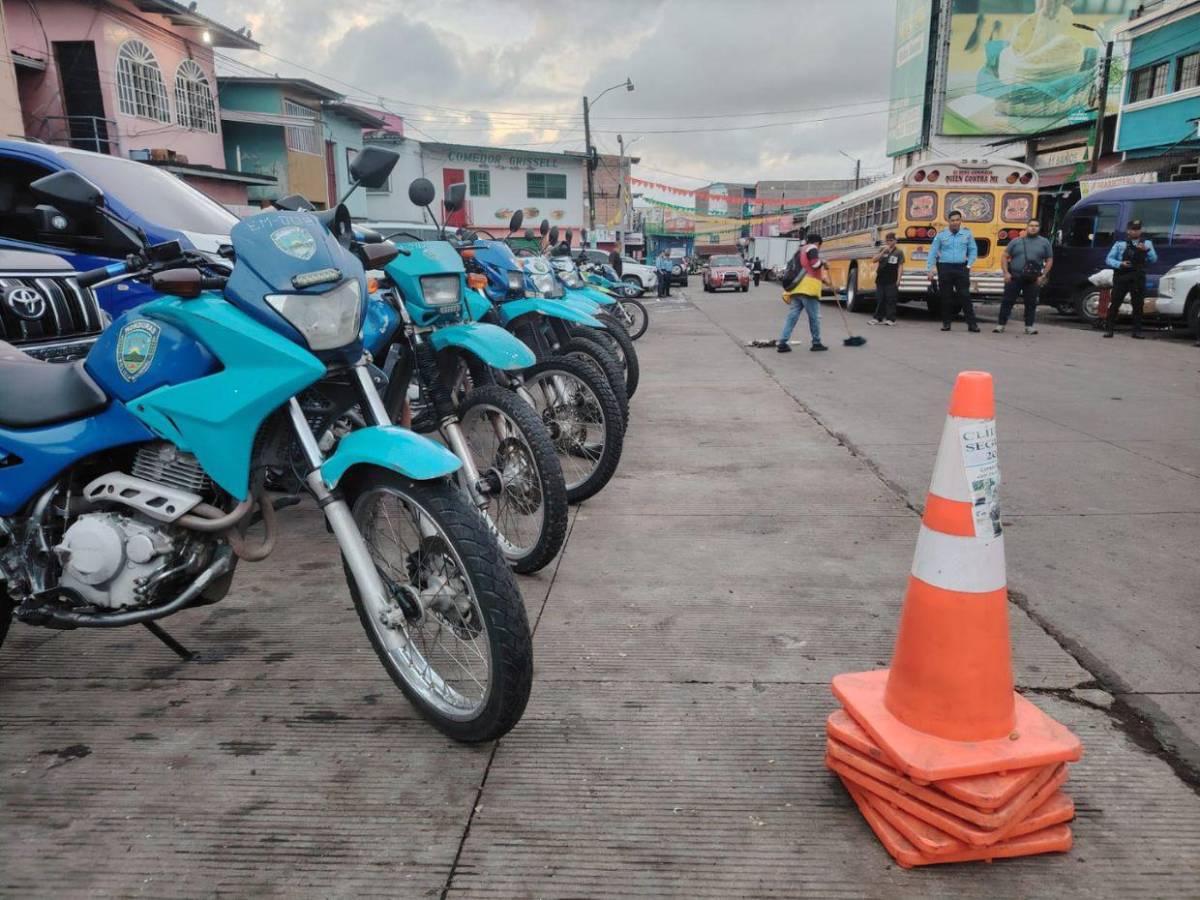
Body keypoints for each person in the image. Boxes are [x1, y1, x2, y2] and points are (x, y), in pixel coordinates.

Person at [995, 219, 1053, 334]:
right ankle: (1001, 325)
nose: (1033, 228)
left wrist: (1043, 275)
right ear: (1027, 227)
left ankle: (1029, 326)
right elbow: (1004, 256)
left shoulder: (1044, 243)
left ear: (1039, 228)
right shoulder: (1016, 241)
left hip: (1033, 278)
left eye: (1036, 226)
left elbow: (1049, 259)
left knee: (1031, 303)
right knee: (1007, 301)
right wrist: (1006, 273)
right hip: (1015, 277)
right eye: (1031, 225)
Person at [926, 210, 980, 332]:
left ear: (960, 221)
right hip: (945, 268)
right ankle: (946, 324)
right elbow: (933, 252)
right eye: (952, 220)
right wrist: (930, 269)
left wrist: (969, 265)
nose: (955, 222)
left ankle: (972, 325)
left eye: (957, 220)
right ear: (948, 221)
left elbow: (973, 250)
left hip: (961, 268)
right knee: (946, 297)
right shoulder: (941, 235)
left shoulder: (967, 234)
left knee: (965, 296)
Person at [1103, 219, 1157, 339]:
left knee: (1138, 305)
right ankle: (1109, 330)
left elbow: (1153, 259)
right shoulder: (1120, 244)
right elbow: (1109, 259)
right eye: (1133, 229)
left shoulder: (1147, 243)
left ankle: (1137, 331)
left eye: (1138, 229)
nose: (1135, 232)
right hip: (1122, 276)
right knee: (1115, 303)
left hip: (1138, 277)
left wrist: (1146, 251)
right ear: (1128, 231)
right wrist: (1120, 264)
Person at [778, 234, 830, 353]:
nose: (819, 248)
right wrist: (824, 263)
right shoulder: (812, 247)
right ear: (818, 243)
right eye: (820, 246)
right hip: (808, 290)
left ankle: (782, 342)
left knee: (792, 317)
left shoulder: (799, 251)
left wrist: (823, 280)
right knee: (814, 318)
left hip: (796, 289)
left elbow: (806, 269)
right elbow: (815, 264)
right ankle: (816, 343)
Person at [869, 232, 905, 326]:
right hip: (881, 277)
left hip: (892, 278)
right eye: (887, 240)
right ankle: (878, 318)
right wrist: (883, 252)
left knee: (891, 298)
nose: (889, 242)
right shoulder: (882, 249)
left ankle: (891, 319)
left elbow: (900, 266)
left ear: (895, 241)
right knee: (880, 298)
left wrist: (898, 279)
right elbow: (874, 260)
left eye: (891, 240)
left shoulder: (899, 252)